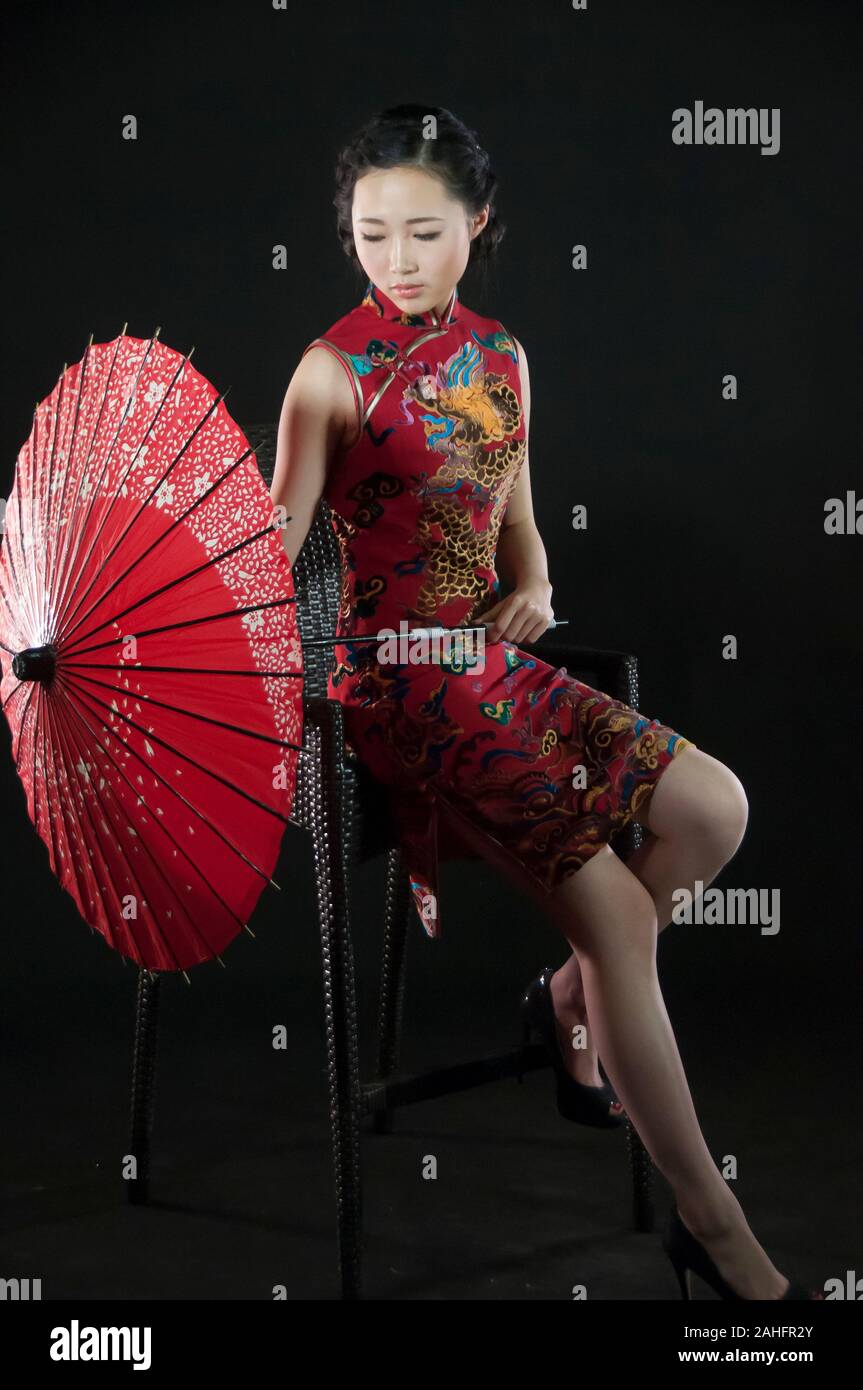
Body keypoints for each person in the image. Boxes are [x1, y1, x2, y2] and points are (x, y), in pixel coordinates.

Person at [270, 103, 821, 1301]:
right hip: (396, 687)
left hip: (492, 667)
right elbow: (277, 539)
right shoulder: (327, 373)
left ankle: (570, 994)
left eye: (423, 231)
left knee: (714, 811)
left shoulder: (503, 359)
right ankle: (709, 1218)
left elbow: (516, 517)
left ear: (478, 223)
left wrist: (533, 581)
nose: (397, 258)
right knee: (621, 919)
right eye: (370, 235)